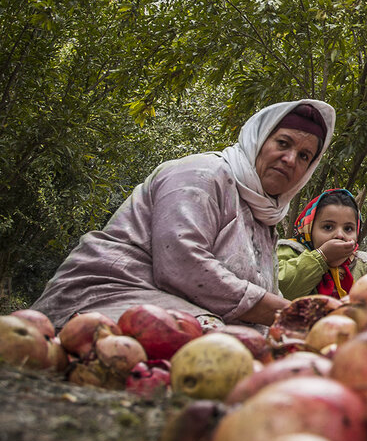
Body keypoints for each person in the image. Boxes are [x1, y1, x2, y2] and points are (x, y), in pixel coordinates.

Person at [30, 100, 336, 328]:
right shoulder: (202, 174)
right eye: (283, 143)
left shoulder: (266, 222)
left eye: (304, 156)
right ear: (259, 140)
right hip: (106, 296)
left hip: (184, 313)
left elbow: (266, 295)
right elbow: (182, 264)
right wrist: (295, 316)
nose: (289, 159)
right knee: (228, 350)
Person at [277, 188, 367, 300]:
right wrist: (321, 256)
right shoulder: (289, 252)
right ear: (309, 229)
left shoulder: (366, 266)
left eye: (348, 228)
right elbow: (278, 290)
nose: (340, 235)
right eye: (328, 227)